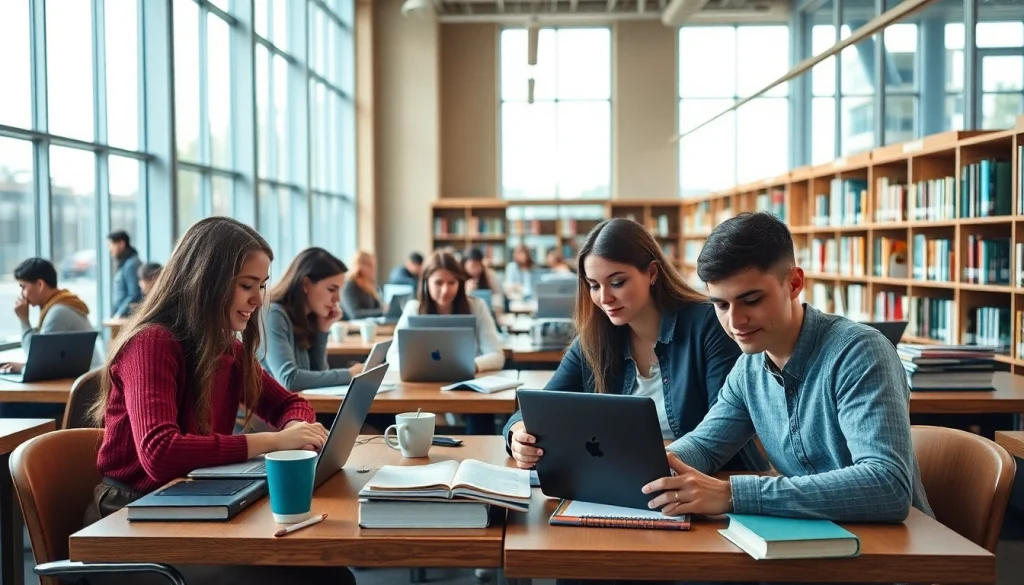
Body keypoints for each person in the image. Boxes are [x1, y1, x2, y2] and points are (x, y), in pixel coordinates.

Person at [83, 217, 355, 585]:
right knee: (318, 579)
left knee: (325, 573)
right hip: (128, 516)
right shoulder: (153, 343)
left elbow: (288, 403)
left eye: (261, 285)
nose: (258, 300)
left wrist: (294, 428)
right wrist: (275, 441)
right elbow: (160, 453)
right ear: (206, 281)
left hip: (188, 499)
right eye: (247, 286)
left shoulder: (225, 347)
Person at [640, 212, 931, 523]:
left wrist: (732, 494)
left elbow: (887, 486)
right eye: (721, 305)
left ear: (794, 283)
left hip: (891, 557)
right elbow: (706, 445)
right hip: (807, 548)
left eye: (751, 300)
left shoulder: (860, 352)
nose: (735, 322)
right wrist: (656, 466)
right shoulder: (748, 368)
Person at [504, 218, 766, 474]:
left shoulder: (709, 324)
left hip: (713, 480)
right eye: (594, 286)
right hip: (628, 476)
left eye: (617, 282)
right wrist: (518, 434)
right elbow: (541, 407)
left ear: (651, 273)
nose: (604, 298)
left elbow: (720, 432)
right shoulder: (594, 338)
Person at [386, 251, 505, 435]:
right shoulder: (414, 308)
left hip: (467, 387)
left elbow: (497, 355)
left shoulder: (477, 306)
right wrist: (415, 365)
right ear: (426, 283)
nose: (445, 290)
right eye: (438, 283)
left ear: (460, 283)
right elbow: (392, 357)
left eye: (452, 283)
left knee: (481, 415)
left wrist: (470, 365)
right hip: (421, 388)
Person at [0, 258, 99, 420]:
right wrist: (25, 367)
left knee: (5, 408)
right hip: (83, 385)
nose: (22, 294)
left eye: (23, 287)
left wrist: (24, 320)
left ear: (40, 284)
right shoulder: (63, 303)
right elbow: (46, 359)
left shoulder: (58, 312)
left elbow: (35, 356)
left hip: (78, 394)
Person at [263, 247, 363, 391]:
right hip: (272, 412)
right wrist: (349, 374)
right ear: (306, 284)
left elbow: (317, 375)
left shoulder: (306, 319)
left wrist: (322, 330)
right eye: (331, 289)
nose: (338, 299)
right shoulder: (273, 314)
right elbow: (290, 379)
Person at [108, 230, 142, 317]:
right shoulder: (124, 263)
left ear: (121, 244)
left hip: (126, 318)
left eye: (111, 245)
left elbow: (134, 295)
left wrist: (119, 313)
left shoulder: (131, 264)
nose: (110, 249)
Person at [341, 250, 383, 319]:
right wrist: (382, 312)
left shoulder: (371, 286)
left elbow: (377, 308)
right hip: (352, 328)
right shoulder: (349, 286)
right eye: (369, 266)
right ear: (359, 266)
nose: (373, 269)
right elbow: (354, 314)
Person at [462, 248, 504, 316]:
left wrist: (497, 310)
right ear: (464, 264)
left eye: (479, 265)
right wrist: (467, 292)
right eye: (473, 266)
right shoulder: (459, 277)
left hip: (488, 314)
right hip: (467, 315)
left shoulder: (490, 275)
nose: (476, 269)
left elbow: (498, 296)